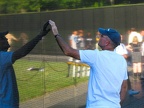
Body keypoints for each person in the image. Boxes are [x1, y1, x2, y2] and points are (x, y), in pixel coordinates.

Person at [49, 20, 128, 108]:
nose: (99, 36)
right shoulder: (122, 60)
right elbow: (124, 87)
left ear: (107, 42)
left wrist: (56, 34)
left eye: (102, 36)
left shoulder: (96, 56)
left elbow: (68, 51)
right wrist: (117, 105)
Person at [0, 21, 50, 108]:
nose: (6, 39)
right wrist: (39, 36)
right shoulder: (2, 57)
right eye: (3, 38)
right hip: (6, 104)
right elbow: (22, 52)